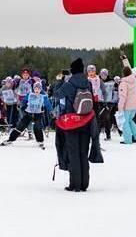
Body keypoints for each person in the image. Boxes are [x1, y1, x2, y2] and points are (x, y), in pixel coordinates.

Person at [53, 58, 95, 192]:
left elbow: (56, 94)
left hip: (71, 121)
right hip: (86, 120)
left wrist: (60, 80)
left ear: (71, 70)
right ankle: (84, 183)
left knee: (73, 152)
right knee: (83, 152)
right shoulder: (88, 83)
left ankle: (75, 184)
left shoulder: (69, 83)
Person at [0, 83, 52, 148]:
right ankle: (11, 139)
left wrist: (51, 111)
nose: (37, 90)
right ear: (33, 89)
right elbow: (24, 101)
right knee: (20, 126)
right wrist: (22, 105)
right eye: (35, 88)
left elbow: (48, 105)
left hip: (38, 114)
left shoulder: (43, 96)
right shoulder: (30, 94)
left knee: (37, 127)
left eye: (38, 89)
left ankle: (40, 141)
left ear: (40, 89)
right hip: (28, 113)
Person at [118, 64, 136, 145]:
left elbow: (122, 96)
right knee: (130, 120)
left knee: (125, 122)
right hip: (134, 105)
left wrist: (120, 108)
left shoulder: (124, 83)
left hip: (127, 106)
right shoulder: (133, 79)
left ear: (123, 73)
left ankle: (128, 139)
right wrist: (124, 60)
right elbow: (128, 66)